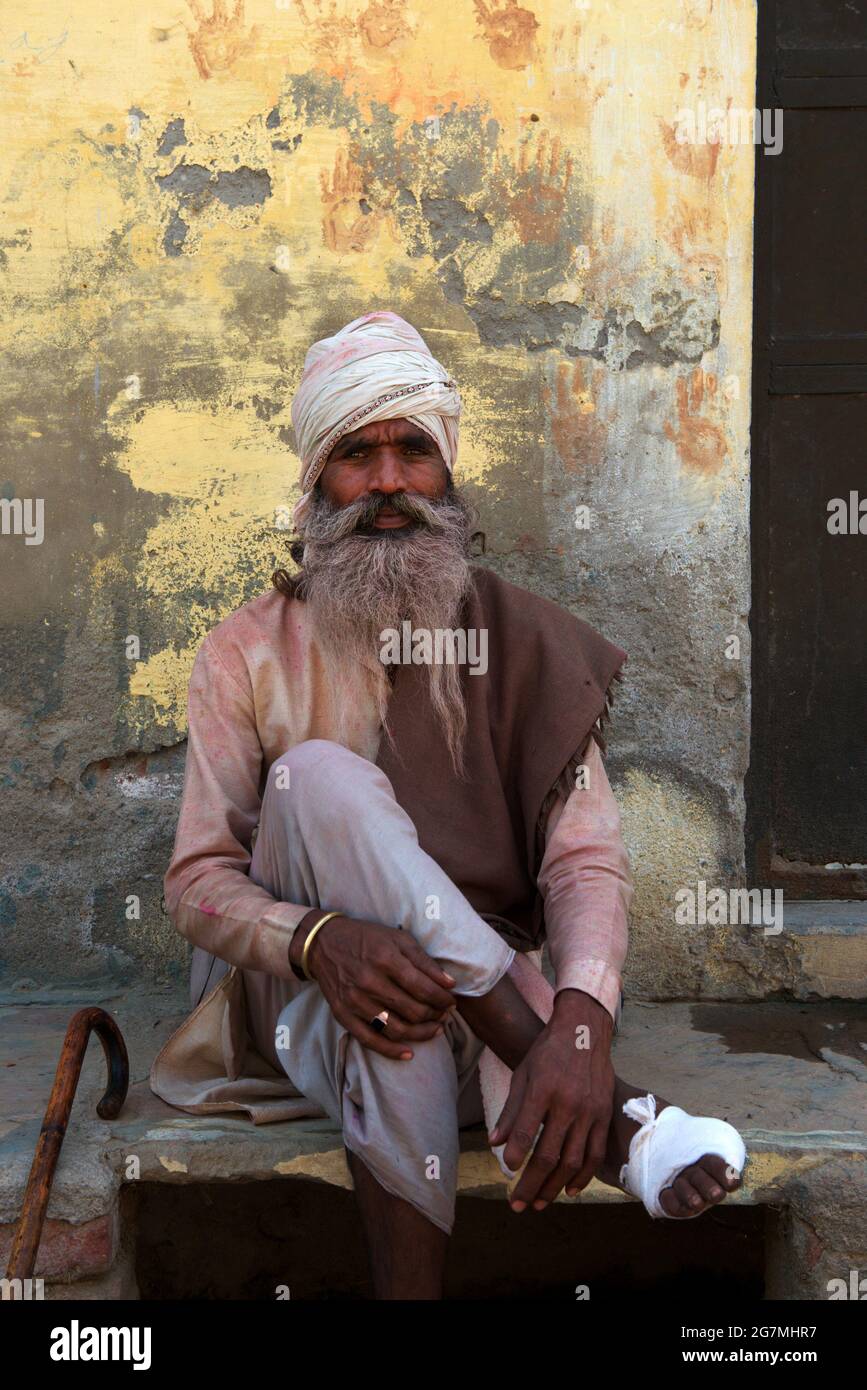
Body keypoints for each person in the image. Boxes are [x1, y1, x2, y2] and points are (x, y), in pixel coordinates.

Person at [151, 310, 746, 1300]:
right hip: (307, 1008)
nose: (387, 482)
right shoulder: (245, 653)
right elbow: (196, 884)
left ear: (448, 472)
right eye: (356, 454)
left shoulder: (521, 640)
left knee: (408, 998)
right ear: (316, 482)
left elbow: (583, 865)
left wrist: (582, 1029)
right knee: (320, 783)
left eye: (412, 450)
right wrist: (317, 939)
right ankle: (622, 1117)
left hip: (476, 1023)